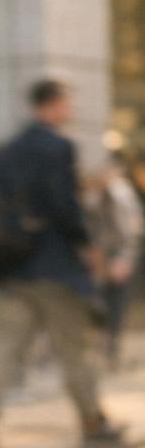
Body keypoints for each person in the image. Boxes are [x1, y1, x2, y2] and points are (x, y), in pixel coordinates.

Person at [0, 78, 125, 448]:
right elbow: (62, 206)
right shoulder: (57, 146)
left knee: (5, 347)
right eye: (67, 103)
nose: (70, 111)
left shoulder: (10, 148)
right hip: (54, 269)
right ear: (53, 105)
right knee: (75, 347)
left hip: (13, 267)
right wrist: (87, 246)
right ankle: (92, 420)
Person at [84, 150, 144, 368]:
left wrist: (124, 260)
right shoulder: (94, 196)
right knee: (99, 302)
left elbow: (132, 233)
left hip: (119, 256)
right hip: (101, 256)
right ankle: (101, 349)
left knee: (116, 305)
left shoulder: (122, 195)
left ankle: (111, 351)